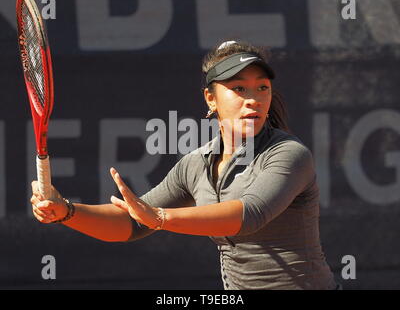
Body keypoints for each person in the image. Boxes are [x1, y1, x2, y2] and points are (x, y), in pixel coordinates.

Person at [30, 40, 338, 290]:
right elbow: (131, 223)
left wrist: (161, 218)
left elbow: (250, 214)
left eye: (262, 87)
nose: (253, 99)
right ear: (211, 99)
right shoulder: (194, 165)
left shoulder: (289, 153)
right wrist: (66, 211)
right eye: (239, 88)